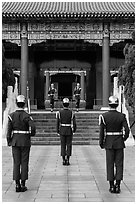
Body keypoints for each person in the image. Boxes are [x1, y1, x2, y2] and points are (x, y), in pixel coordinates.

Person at [99, 96, 129, 194]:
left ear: (109, 104)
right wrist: (123, 138)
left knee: (110, 164)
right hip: (119, 142)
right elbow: (127, 130)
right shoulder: (122, 116)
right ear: (117, 104)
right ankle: (118, 185)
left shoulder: (104, 116)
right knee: (119, 164)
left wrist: (101, 142)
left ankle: (111, 186)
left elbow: (101, 132)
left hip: (109, 142)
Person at [6, 95, 36, 192]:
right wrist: (30, 134)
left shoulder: (11, 116)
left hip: (15, 141)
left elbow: (8, 131)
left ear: (16, 103)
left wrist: (9, 141)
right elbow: (33, 128)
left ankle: (17, 185)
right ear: (24, 104)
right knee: (24, 162)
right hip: (25, 141)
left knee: (16, 163)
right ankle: (23, 184)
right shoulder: (27, 116)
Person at [56, 98, 77, 165]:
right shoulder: (71, 113)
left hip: (62, 129)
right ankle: (68, 159)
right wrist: (74, 130)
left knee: (63, 145)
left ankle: (63, 159)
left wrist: (57, 130)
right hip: (69, 129)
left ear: (63, 104)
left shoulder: (59, 113)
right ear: (68, 105)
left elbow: (57, 123)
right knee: (69, 145)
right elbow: (74, 123)